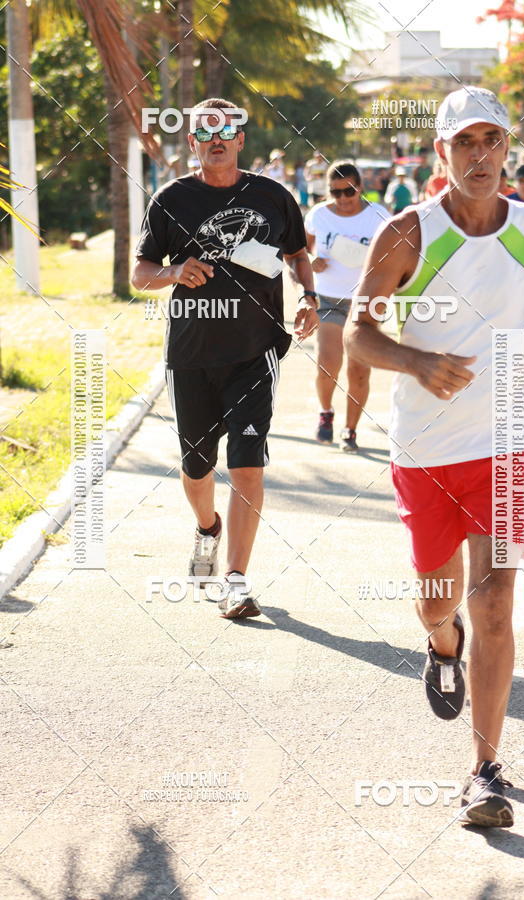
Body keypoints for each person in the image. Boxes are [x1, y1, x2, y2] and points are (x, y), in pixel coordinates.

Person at [344, 86, 524, 828]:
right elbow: (358, 328)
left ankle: (485, 770)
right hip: (427, 450)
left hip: (511, 446)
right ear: (443, 152)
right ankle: (438, 642)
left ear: (507, 147)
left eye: (493, 141)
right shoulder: (407, 232)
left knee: (497, 601)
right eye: (465, 143)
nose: (481, 156)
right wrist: (415, 364)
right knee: (439, 601)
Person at [132, 98, 319, 619]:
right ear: (192, 142)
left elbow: (298, 254)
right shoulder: (171, 199)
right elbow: (140, 273)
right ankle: (207, 527)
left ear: (240, 139)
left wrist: (308, 297)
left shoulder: (272, 196)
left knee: (247, 463)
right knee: (197, 468)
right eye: (205, 130)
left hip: (255, 352)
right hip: (191, 355)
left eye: (227, 130)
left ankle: (236, 579)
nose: (217, 138)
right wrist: (174, 273)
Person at [305, 161, 390, 451]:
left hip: (365, 301)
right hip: (329, 298)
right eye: (335, 192)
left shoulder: (379, 216)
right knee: (328, 363)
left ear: (360, 188)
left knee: (359, 370)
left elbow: (397, 253)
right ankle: (326, 412)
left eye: (349, 191)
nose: (342, 199)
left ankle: (350, 430)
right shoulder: (319, 215)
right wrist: (310, 260)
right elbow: (300, 250)